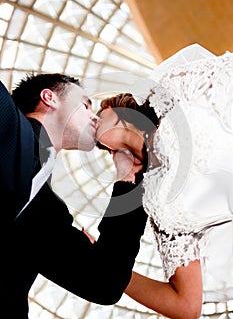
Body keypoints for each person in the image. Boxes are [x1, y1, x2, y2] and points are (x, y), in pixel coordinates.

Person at [95, 46, 233, 319]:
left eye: (96, 113)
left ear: (114, 106)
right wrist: (110, 267)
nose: (91, 121)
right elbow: (186, 306)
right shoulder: (158, 202)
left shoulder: (172, 90)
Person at [0, 73, 148, 318]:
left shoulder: (48, 214)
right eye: (85, 104)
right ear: (49, 98)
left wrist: (128, 180)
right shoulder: (5, 119)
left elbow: (105, 283)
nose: (95, 115)